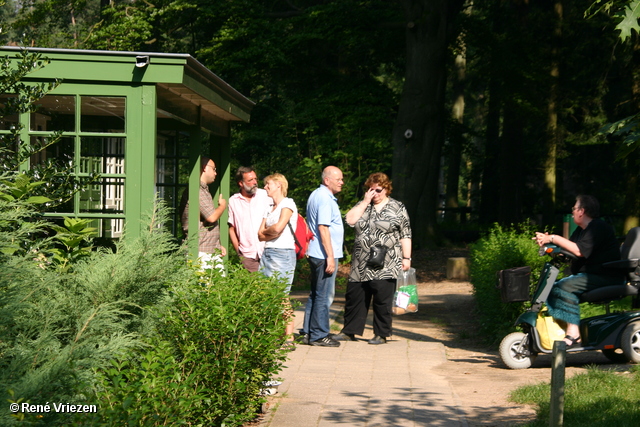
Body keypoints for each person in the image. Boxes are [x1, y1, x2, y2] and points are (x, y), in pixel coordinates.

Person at [332, 172, 412, 345]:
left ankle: (381, 333)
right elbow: (350, 220)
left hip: (387, 260)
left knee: (382, 298)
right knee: (355, 296)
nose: (375, 193)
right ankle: (349, 331)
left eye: (379, 190)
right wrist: (365, 201)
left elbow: (405, 233)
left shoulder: (397, 207)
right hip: (361, 261)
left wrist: (407, 258)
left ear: (386, 189)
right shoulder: (363, 205)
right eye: (371, 189)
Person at [534, 195, 624, 347]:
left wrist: (553, 238)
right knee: (551, 288)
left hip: (606, 276)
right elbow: (568, 249)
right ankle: (565, 329)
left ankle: (574, 333)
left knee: (564, 287)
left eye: (574, 209)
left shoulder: (597, 227)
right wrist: (551, 248)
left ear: (582, 211)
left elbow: (578, 251)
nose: (572, 212)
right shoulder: (581, 230)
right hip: (591, 275)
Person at [302, 166, 345, 347]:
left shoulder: (316, 195)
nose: (342, 182)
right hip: (323, 254)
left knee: (315, 293)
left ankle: (308, 332)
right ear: (327, 180)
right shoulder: (325, 199)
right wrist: (330, 256)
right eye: (338, 179)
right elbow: (323, 227)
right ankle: (319, 335)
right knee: (323, 295)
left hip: (315, 252)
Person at [258, 173, 298, 344]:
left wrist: (270, 231)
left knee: (281, 295)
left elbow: (279, 228)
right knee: (265, 294)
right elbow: (260, 235)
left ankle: (289, 336)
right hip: (267, 252)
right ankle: (274, 333)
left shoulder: (288, 204)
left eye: (268, 184)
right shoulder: (269, 207)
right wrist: (271, 231)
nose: (265, 187)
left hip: (283, 253)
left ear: (279, 185)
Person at [179, 156, 227, 271]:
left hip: (208, 250)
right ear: (205, 168)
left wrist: (216, 245)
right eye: (214, 169)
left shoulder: (203, 189)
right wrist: (223, 206)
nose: (216, 173)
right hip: (200, 252)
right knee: (205, 287)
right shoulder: (197, 190)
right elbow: (211, 217)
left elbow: (204, 224)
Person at [228, 166, 273, 272]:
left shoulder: (265, 195)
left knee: (272, 286)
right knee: (254, 286)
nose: (255, 182)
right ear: (241, 183)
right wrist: (239, 251)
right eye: (250, 180)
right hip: (247, 254)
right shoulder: (233, 201)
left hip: (268, 250)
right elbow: (231, 228)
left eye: (255, 179)